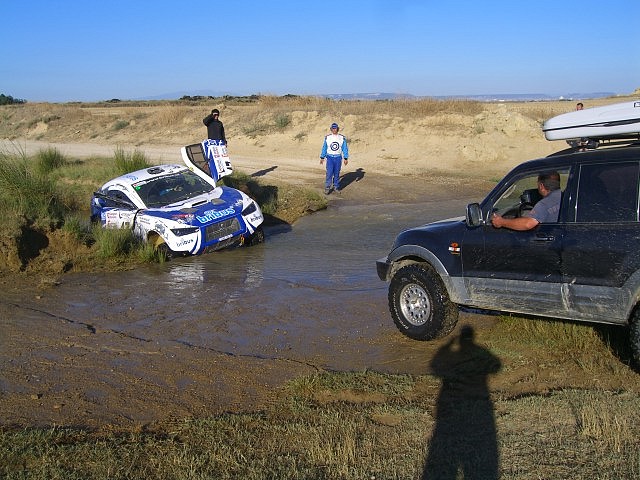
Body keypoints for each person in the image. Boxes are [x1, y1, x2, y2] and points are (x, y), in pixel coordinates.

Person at [491, 172, 561, 231]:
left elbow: (528, 224)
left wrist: (501, 222)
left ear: (541, 186)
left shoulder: (544, 203)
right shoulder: (563, 197)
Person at [319, 122, 349, 194]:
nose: (334, 130)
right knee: (329, 173)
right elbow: (324, 148)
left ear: (337, 129)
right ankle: (327, 187)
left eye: (335, 128)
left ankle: (336, 187)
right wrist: (322, 157)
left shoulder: (342, 138)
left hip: (338, 158)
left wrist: (346, 158)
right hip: (330, 158)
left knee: (336, 173)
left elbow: (345, 148)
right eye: (333, 128)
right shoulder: (328, 138)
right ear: (331, 129)